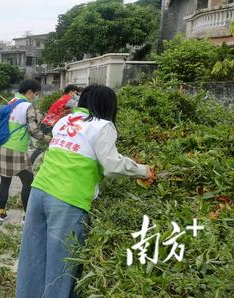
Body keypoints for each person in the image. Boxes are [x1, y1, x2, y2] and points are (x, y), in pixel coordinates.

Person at [16, 85, 154, 297]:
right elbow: (112, 165)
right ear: (108, 106)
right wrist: (143, 171)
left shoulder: (64, 120)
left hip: (39, 190)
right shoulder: (102, 126)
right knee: (61, 263)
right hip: (67, 199)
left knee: (33, 254)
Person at [0, 79, 51, 222]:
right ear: (30, 92)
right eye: (35, 94)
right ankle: (26, 215)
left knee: (5, 182)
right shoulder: (27, 106)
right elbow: (33, 129)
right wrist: (46, 138)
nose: (35, 97)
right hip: (17, 150)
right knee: (28, 181)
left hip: (2, 147)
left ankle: (1, 213)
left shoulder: (11, 102)